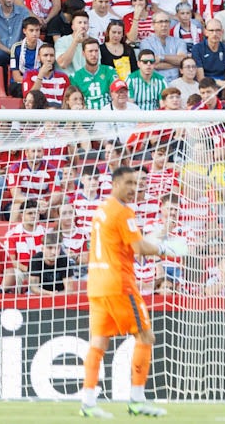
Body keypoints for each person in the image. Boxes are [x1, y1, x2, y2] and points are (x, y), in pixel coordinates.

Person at [77, 165, 176, 418]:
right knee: (145, 336)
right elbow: (139, 247)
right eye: (129, 183)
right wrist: (168, 248)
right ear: (115, 183)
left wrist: (154, 240)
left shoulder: (101, 210)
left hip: (97, 283)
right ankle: (136, 399)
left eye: (136, 183)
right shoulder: (123, 212)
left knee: (98, 342)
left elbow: (125, 245)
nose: (134, 188)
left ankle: (88, 402)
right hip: (119, 284)